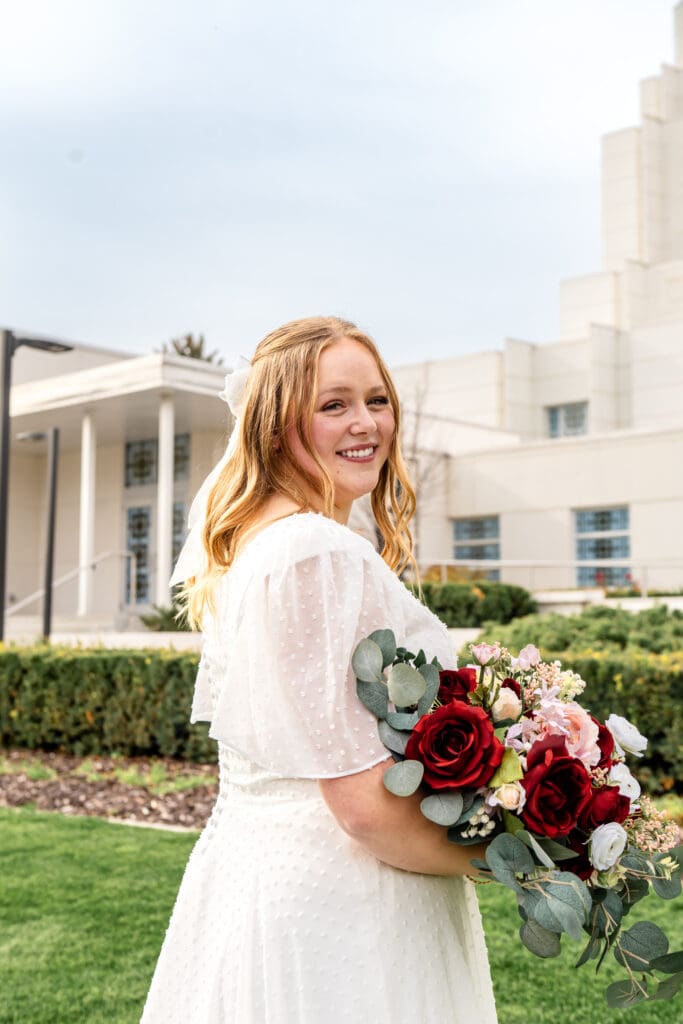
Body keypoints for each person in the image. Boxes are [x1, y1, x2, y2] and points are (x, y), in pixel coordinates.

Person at [140, 316, 498, 1023]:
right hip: (344, 903)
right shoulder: (313, 553)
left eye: (377, 399)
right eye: (333, 405)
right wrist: (531, 857)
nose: (365, 423)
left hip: (262, 881)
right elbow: (364, 806)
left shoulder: (271, 543)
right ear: (276, 427)